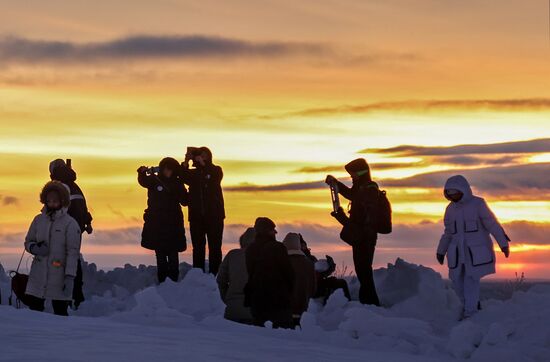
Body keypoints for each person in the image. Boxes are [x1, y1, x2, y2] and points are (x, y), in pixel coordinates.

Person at [436, 175, 510, 319]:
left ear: (462, 189)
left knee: (471, 281)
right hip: (457, 254)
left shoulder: (478, 204)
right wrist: (441, 250)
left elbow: (492, 224)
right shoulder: (450, 209)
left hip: (475, 253)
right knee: (457, 282)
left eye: (454, 192)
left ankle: (471, 313)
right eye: (449, 193)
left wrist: (503, 243)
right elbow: (448, 232)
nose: (452, 196)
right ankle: (469, 306)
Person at [326, 158, 382, 306]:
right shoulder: (362, 188)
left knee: (364, 272)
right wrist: (336, 184)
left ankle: (371, 304)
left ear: (360, 173)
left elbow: (358, 205)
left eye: (352, 175)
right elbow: (352, 195)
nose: (351, 178)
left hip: (365, 237)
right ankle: (368, 303)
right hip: (361, 236)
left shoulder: (369, 189)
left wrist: (343, 217)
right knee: (362, 271)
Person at [24, 181, 82, 316]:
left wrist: (69, 277)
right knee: (34, 314)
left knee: (60, 314)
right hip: (38, 276)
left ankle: (60, 337)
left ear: (62, 201)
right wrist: (34, 248)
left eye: (55, 200)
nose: (51, 203)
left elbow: (72, 253)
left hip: (59, 277)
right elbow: (28, 241)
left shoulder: (70, 224)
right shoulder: (38, 220)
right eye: (49, 200)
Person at [49, 159, 93, 309]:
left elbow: (54, 210)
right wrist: (86, 223)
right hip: (76, 229)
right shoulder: (75, 186)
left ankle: (65, 297)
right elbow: (83, 208)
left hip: (63, 230)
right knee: (73, 260)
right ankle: (77, 296)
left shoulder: (60, 187)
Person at [138, 157, 188, 283]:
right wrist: (141, 172)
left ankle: (173, 282)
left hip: (173, 224)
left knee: (173, 255)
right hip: (157, 224)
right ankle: (163, 282)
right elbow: (143, 181)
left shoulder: (177, 183)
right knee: (160, 255)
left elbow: (185, 201)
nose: (168, 171)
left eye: (171, 169)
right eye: (166, 168)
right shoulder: (154, 180)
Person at [181, 147, 225, 275]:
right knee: (198, 248)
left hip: (214, 216)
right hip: (196, 217)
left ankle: (215, 274)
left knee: (215, 247)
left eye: (205, 155)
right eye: (200, 155)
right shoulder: (193, 174)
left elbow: (214, 179)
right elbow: (183, 176)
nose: (202, 157)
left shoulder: (216, 170)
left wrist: (204, 165)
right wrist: (186, 161)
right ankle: (198, 274)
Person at [245, 217, 294, 329]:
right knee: (284, 337)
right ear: (267, 231)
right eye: (272, 230)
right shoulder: (278, 247)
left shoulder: (250, 249)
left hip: (257, 301)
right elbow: (289, 274)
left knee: (260, 337)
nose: (275, 232)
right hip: (279, 301)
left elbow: (250, 273)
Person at [217, 227, 256, 324]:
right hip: (254, 311)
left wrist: (228, 298)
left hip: (232, 310)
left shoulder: (232, 255)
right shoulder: (263, 256)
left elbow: (221, 280)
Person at [300, 236, 351, 302]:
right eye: (301, 245)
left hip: (318, 283)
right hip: (309, 288)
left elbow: (321, 272)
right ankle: (325, 309)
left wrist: (330, 267)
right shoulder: (296, 260)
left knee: (341, 282)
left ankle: (348, 304)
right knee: (327, 289)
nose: (303, 247)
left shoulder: (312, 258)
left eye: (304, 245)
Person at [282, 233, 316, 326]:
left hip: (284, 309)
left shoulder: (281, 262)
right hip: (303, 308)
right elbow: (313, 289)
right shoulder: (309, 263)